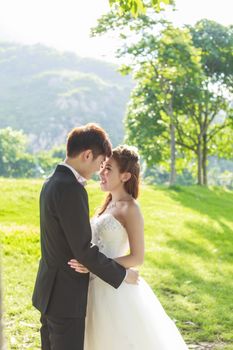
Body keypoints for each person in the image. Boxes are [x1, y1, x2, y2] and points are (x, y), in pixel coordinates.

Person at [69, 145, 189, 349]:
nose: (101, 172)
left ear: (125, 176)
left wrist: (94, 266)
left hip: (114, 289)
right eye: (103, 166)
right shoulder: (106, 204)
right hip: (91, 286)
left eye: (108, 169)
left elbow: (137, 257)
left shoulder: (131, 208)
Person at [32, 124, 139, 350]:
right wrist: (122, 274)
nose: (98, 172)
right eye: (100, 164)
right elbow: (82, 249)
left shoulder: (51, 182)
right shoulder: (71, 188)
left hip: (49, 292)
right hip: (67, 297)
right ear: (87, 155)